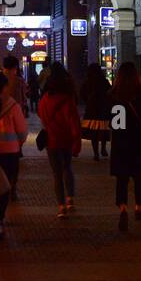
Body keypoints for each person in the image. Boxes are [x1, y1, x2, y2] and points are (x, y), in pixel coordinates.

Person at [108, 61, 141, 231]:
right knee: (139, 176)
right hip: (138, 141)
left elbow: (110, 121)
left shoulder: (113, 94)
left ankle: (123, 207)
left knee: (121, 178)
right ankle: (139, 207)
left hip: (119, 142)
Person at [37, 61, 82, 217]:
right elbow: (74, 123)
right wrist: (77, 142)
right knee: (67, 168)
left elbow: (41, 116)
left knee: (56, 173)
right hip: (66, 139)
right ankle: (70, 199)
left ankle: (61, 206)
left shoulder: (44, 101)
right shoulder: (68, 101)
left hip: (51, 140)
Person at [0, 70, 27, 239]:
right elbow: (22, 131)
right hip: (10, 152)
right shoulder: (13, 106)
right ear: (5, 87)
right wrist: (18, 144)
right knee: (5, 187)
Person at [80, 62, 112, 161]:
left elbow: (82, 94)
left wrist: (88, 101)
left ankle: (96, 153)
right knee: (103, 129)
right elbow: (109, 93)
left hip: (92, 110)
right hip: (103, 109)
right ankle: (103, 148)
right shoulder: (104, 81)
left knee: (94, 132)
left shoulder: (88, 82)